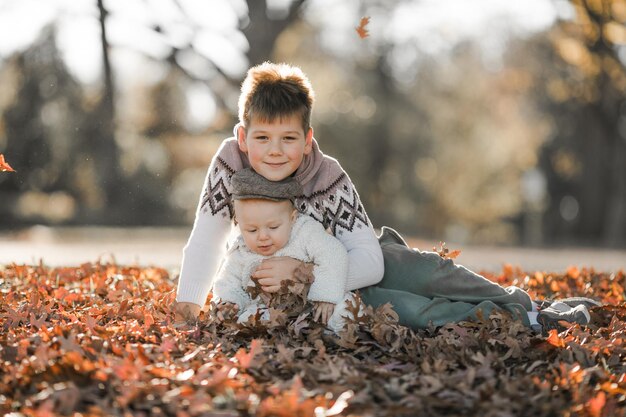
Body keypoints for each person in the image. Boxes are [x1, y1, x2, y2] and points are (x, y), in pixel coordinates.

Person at [174, 61, 596, 334]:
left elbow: (368, 260)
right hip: (325, 293)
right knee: (412, 312)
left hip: (359, 262)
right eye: (262, 138)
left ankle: (518, 300)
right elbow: (207, 237)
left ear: (307, 140)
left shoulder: (327, 174)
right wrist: (188, 304)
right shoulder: (230, 166)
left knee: (430, 273)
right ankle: (530, 319)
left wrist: (303, 271)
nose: (275, 150)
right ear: (243, 138)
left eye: (289, 138)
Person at [211, 168, 354, 333]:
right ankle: (281, 335)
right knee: (247, 320)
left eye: (273, 227)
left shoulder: (305, 231)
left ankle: (332, 331)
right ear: (239, 225)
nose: (263, 236)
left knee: (344, 310)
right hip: (269, 309)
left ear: (292, 218)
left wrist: (326, 296)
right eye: (251, 230)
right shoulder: (241, 249)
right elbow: (228, 281)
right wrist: (229, 302)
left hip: (311, 301)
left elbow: (334, 253)